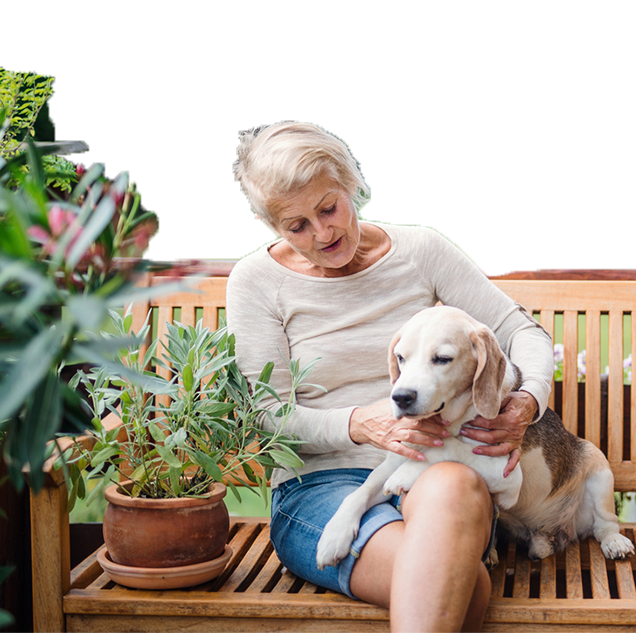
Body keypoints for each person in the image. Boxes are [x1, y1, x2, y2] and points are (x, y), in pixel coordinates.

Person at [223, 118, 553, 633]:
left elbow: (521, 331)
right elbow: (266, 416)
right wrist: (359, 424)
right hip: (322, 489)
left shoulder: (420, 251)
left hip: (441, 470)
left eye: (329, 208)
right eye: (296, 225)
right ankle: (455, 576)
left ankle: (450, 570)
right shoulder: (256, 282)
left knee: (454, 501)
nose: (323, 232)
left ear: (351, 185)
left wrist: (526, 402)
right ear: (272, 225)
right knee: (459, 591)